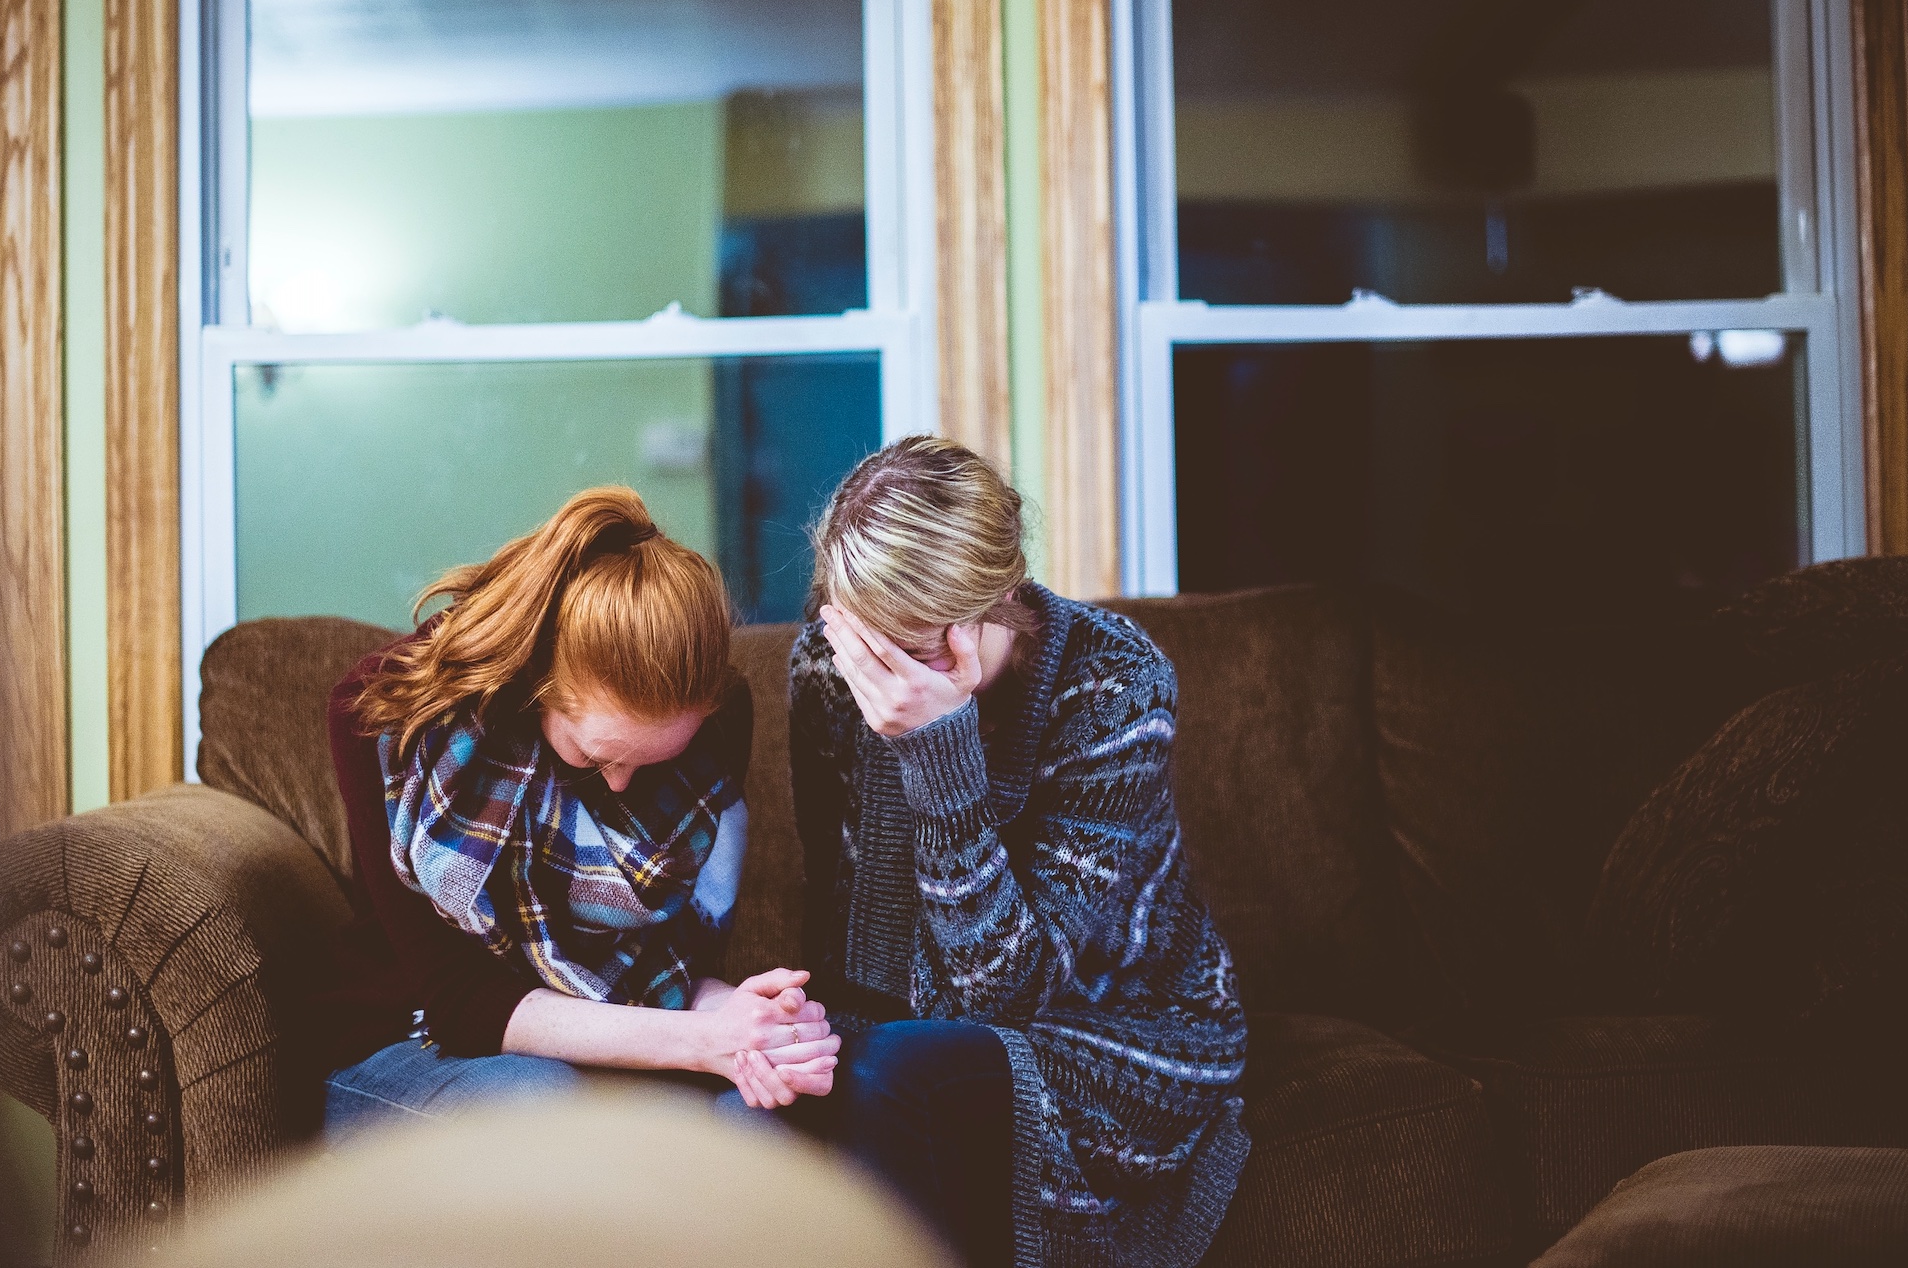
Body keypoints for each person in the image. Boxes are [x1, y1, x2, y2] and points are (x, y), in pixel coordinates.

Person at [786, 436, 1250, 1268]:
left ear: (993, 601)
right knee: (767, 1102)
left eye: (912, 645)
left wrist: (940, 753)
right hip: (916, 1027)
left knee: (898, 1073)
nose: (876, 673)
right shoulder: (831, 666)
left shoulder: (1114, 685)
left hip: (1119, 1030)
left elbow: (1010, 995)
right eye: (863, 638)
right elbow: (845, 918)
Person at [319, 487, 839, 1135]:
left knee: (767, 1117)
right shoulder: (386, 716)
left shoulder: (716, 723)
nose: (621, 787)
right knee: (546, 1108)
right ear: (537, 688)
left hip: (612, 1036)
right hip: (414, 1041)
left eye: (649, 765)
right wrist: (705, 1042)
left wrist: (754, 1021)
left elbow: (666, 969)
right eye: (595, 759)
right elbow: (460, 1003)